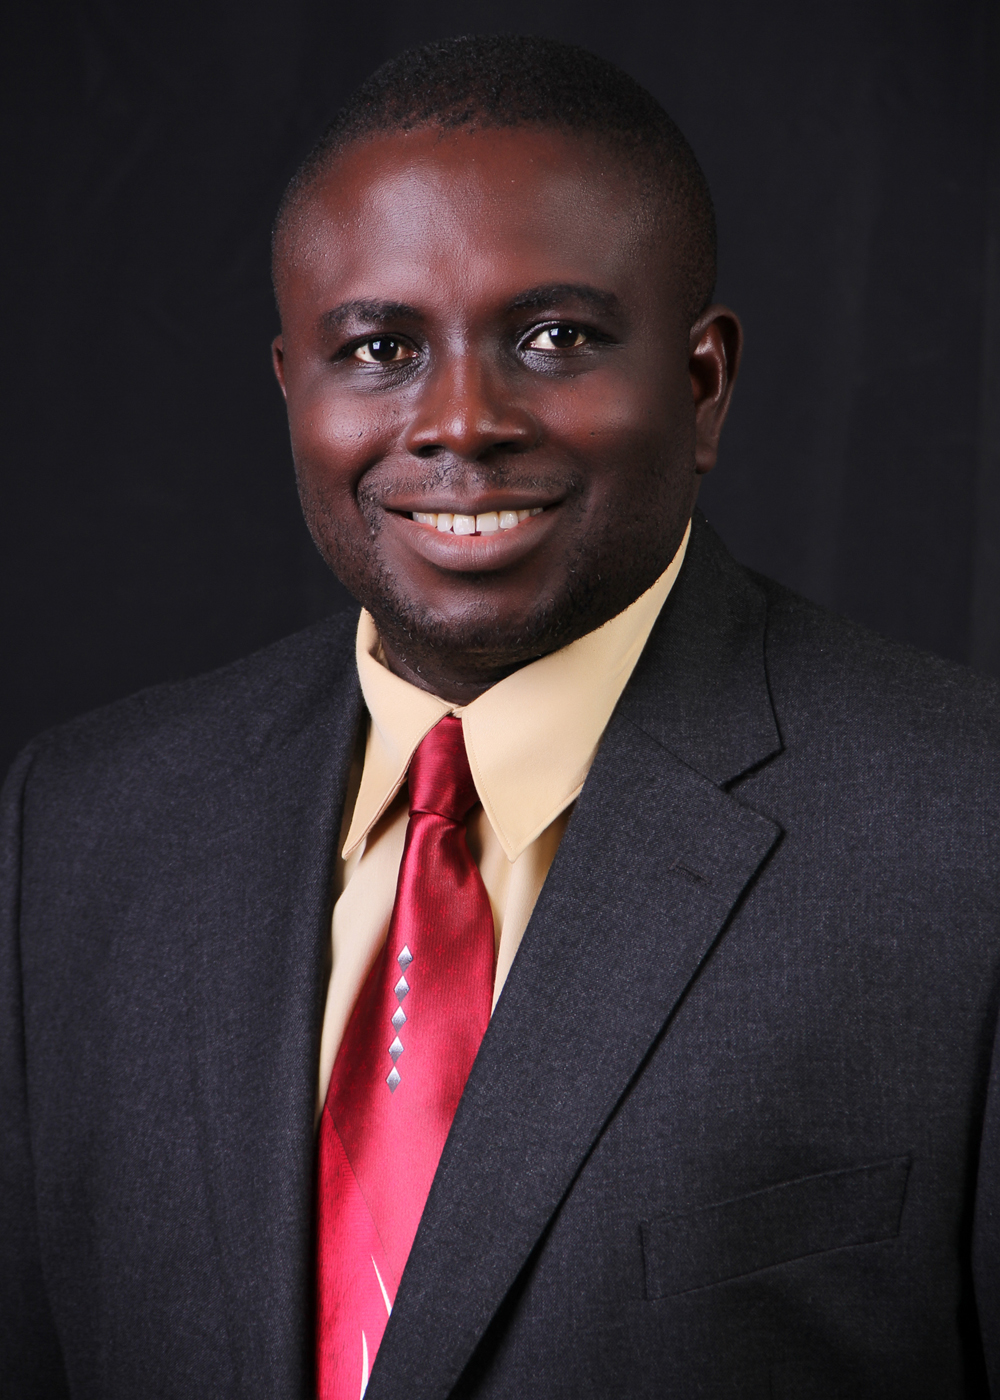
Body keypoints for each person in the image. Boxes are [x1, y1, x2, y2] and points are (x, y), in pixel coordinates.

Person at [2, 33, 999, 1400]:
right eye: (380, 348)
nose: (461, 421)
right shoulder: (79, 833)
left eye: (555, 338)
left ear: (703, 384)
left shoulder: (964, 840)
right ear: (293, 386)